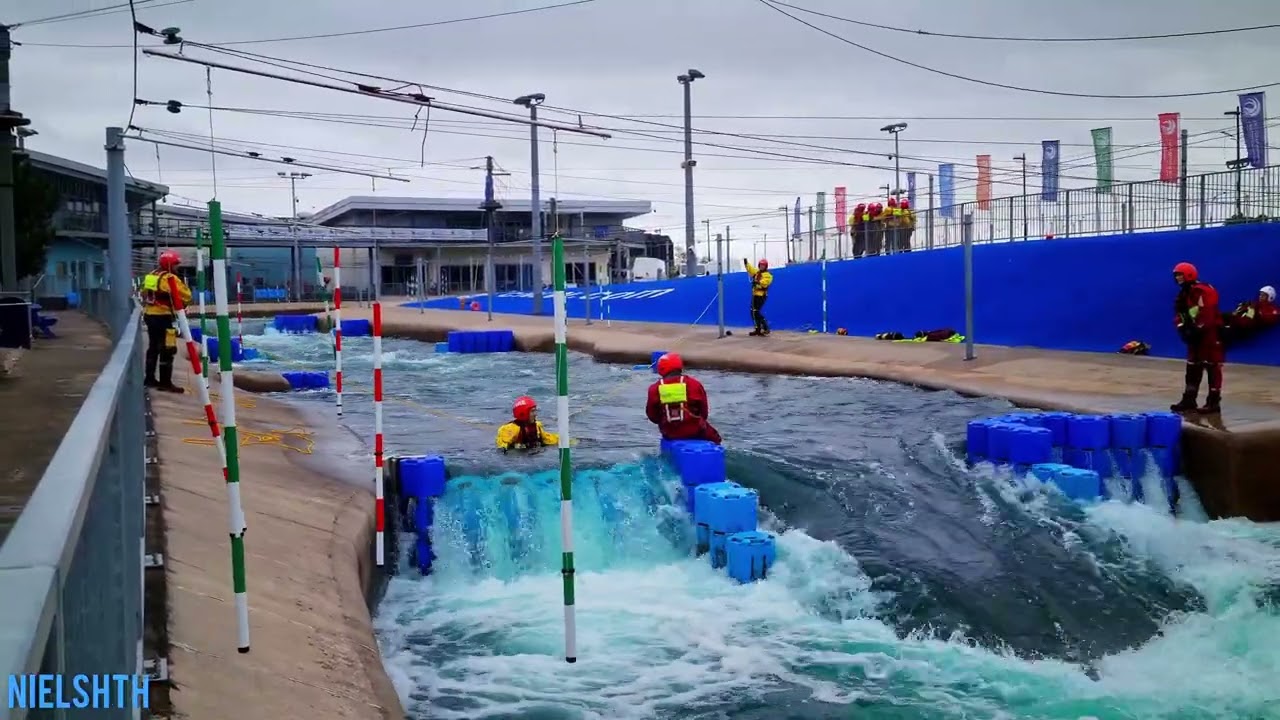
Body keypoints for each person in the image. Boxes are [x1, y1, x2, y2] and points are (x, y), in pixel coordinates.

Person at [1170, 262, 1224, 414]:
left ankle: (1213, 402)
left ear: (1189, 275)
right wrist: (1182, 329)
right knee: (1192, 366)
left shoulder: (1202, 291)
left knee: (1212, 366)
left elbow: (1206, 313)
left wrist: (1196, 329)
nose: (1178, 278)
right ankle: (1189, 399)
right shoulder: (1183, 294)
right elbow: (1180, 315)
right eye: (1176, 275)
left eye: (1180, 274)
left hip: (1209, 335)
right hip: (1194, 336)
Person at [140, 250, 193, 393]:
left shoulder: (152, 275)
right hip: (163, 317)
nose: (177, 267)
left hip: (150, 316)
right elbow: (187, 296)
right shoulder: (171, 278)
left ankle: (149, 379)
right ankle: (165, 382)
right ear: (170, 265)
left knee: (153, 348)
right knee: (168, 349)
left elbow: (143, 293)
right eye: (176, 264)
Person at [645, 353, 722, 444]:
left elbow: (652, 416)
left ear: (661, 369)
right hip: (696, 431)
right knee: (717, 439)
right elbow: (704, 412)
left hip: (669, 433)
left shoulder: (654, 388)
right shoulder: (694, 384)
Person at [495, 396, 560, 451]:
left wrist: (566, 441)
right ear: (523, 413)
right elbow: (501, 448)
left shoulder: (537, 426)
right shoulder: (510, 429)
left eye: (535, 410)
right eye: (532, 411)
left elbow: (549, 439)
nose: (535, 414)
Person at [743, 256, 773, 336]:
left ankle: (766, 327)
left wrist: (757, 282)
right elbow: (751, 269)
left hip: (761, 295)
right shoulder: (757, 272)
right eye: (760, 265)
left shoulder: (768, 275)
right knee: (752, 312)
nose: (761, 266)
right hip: (755, 295)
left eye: (763, 265)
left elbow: (765, 283)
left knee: (756, 312)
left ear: (766, 266)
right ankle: (758, 329)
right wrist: (746, 263)